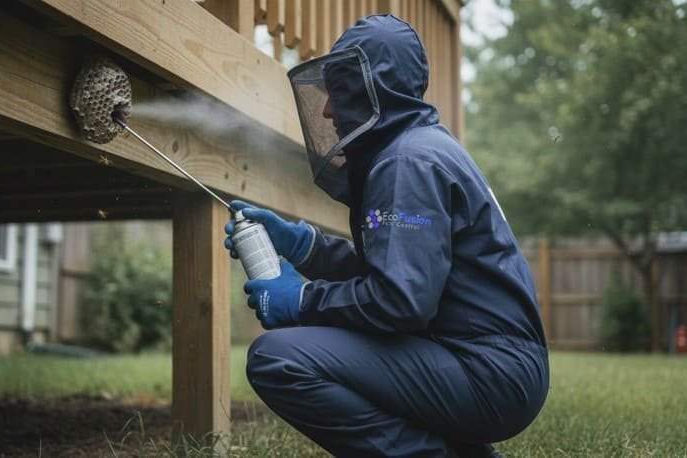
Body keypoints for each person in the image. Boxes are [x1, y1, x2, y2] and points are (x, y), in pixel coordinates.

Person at [224, 14, 548, 457]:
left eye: (338, 91)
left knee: (278, 360)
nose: (326, 110)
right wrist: (306, 246)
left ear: (371, 90)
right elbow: (403, 271)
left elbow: (400, 302)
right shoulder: (419, 148)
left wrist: (303, 300)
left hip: (486, 371)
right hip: (485, 363)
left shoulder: (408, 163)